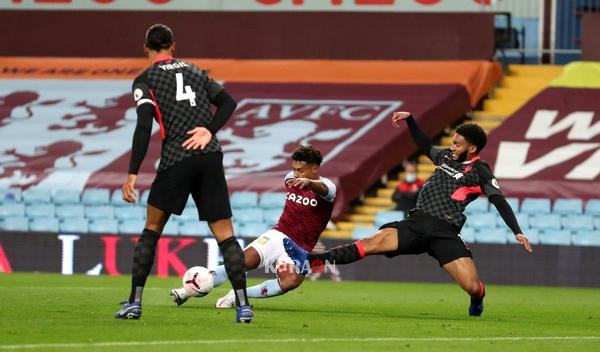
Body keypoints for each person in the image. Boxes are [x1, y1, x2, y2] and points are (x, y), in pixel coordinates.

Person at [284, 111, 532, 317]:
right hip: (417, 223)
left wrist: (517, 231)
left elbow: (499, 200)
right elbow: (424, 144)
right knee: (369, 244)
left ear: (472, 147)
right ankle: (309, 261)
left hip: (445, 231)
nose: (452, 146)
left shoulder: (480, 171)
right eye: (453, 141)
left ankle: (477, 300)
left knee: (471, 286)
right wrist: (411, 120)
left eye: (457, 143)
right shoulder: (445, 156)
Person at [114, 24, 252, 323]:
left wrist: (132, 174)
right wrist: (208, 130)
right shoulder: (196, 71)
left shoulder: (146, 79)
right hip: (210, 156)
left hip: (177, 156)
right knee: (226, 236)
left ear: (145, 47)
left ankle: (134, 303)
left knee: (152, 229)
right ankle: (243, 306)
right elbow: (228, 103)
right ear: (172, 45)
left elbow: (143, 125)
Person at [170, 145, 336, 307]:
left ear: (315, 169)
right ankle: (186, 291)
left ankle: (238, 295)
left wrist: (310, 183)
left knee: (290, 282)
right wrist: (301, 178)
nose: (296, 174)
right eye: (294, 169)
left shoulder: (328, 188)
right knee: (240, 263)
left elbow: (324, 190)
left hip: (300, 247)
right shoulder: (289, 179)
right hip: (278, 235)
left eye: (301, 170)